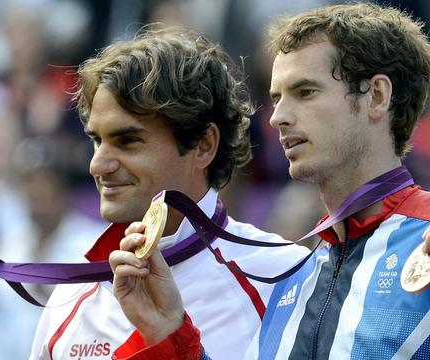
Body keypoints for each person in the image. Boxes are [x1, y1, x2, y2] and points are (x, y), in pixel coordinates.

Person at [0, 27, 308, 359]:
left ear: (203, 145)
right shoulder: (70, 299)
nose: (98, 165)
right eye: (97, 141)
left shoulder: (285, 276)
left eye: (127, 141)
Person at [109, 4, 430, 359]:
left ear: (376, 96)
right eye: (276, 98)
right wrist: (167, 331)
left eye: (305, 92)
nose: (277, 117)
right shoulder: (297, 280)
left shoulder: (424, 238)